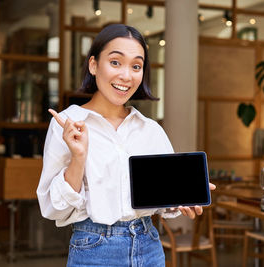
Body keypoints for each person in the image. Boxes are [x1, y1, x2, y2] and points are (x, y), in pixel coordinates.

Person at [36, 24, 216, 267]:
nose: (126, 76)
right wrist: (78, 158)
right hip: (94, 250)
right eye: (115, 62)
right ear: (93, 65)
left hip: (149, 246)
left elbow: (162, 196)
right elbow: (53, 209)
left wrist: (182, 196)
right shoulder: (67, 124)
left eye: (136, 66)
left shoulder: (150, 130)